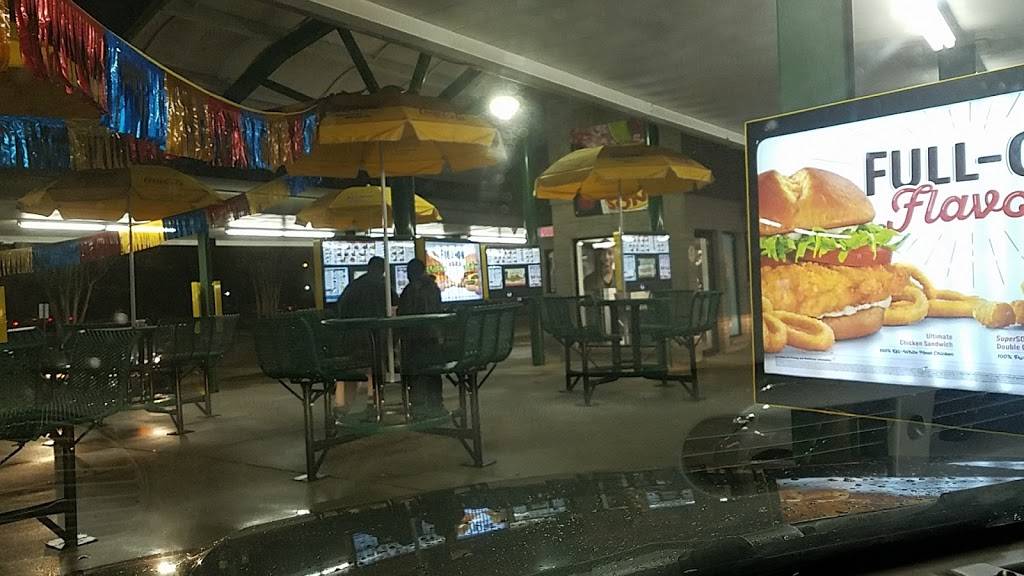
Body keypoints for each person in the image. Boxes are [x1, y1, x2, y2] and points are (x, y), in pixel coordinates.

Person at [334, 256, 396, 419]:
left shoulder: (353, 286)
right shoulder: (383, 287)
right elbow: (394, 307)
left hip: (350, 337)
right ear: (383, 270)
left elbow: (340, 308)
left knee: (348, 372)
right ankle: (373, 403)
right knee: (374, 368)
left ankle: (340, 407)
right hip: (374, 337)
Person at [397, 258, 445, 417]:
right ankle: (436, 404)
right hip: (433, 339)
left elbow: (403, 316)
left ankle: (418, 407)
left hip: (414, 341)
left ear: (411, 273)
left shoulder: (410, 290)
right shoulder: (434, 288)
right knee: (433, 373)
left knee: (415, 372)